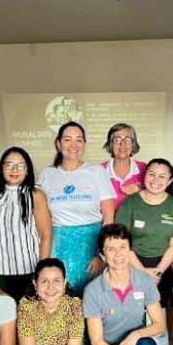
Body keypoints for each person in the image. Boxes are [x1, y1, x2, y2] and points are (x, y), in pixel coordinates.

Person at [38, 122, 116, 296]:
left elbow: (109, 217)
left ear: (84, 145)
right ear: (58, 144)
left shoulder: (96, 171)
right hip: (57, 248)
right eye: (67, 139)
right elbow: (35, 211)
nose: (73, 145)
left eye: (78, 140)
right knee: (60, 298)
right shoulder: (46, 174)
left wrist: (100, 255)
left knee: (91, 299)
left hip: (91, 246)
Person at [0, 146, 52, 303]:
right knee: (3, 321)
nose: (15, 169)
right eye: (9, 165)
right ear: (1, 169)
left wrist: (41, 271)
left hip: (28, 272)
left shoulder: (35, 195)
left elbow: (46, 235)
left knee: (27, 322)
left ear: (27, 170)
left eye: (21, 165)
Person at [83, 223, 165, 345]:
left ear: (130, 251)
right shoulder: (92, 290)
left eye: (123, 247)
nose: (118, 254)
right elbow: (96, 340)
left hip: (135, 343)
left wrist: (136, 335)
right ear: (103, 255)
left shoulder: (144, 280)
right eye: (111, 250)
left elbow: (160, 325)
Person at [116, 158, 173, 305]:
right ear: (145, 176)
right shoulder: (130, 203)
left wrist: (157, 271)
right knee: (132, 310)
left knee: (161, 313)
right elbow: (120, 242)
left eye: (162, 176)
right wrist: (142, 271)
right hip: (131, 264)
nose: (155, 180)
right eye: (151, 174)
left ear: (170, 181)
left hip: (162, 266)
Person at [17, 258, 84, 345]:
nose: (50, 287)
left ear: (64, 283)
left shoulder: (75, 306)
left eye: (56, 281)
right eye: (44, 281)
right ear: (35, 284)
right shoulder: (26, 307)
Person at [102, 123, 147, 210]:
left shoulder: (145, 169)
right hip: (110, 223)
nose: (122, 144)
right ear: (110, 145)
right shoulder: (99, 171)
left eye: (127, 140)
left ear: (133, 145)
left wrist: (141, 191)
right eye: (117, 140)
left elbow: (158, 199)